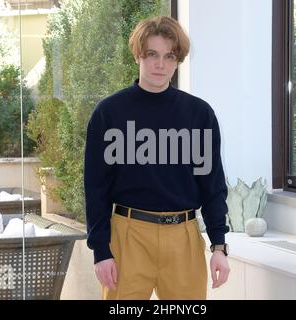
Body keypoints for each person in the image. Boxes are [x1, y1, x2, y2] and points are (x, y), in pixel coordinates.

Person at [84, 15, 230, 300]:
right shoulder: (109, 113)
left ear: (178, 60)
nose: (160, 65)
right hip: (128, 236)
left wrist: (219, 246)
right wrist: (101, 251)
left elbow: (212, 184)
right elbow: (95, 188)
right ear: (139, 55)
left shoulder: (199, 114)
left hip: (184, 238)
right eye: (152, 54)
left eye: (169, 56)